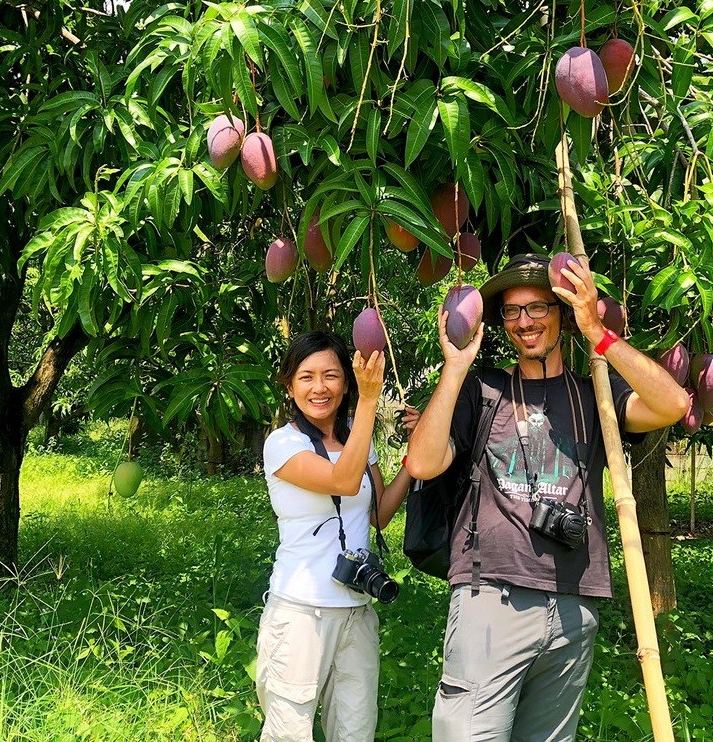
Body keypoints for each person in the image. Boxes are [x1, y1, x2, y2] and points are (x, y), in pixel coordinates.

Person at [405, 253, 690, 742]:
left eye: (538, 308)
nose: (524, 321)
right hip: (491, 595)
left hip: (575, 606)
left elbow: (673, 404)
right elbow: (423, 463)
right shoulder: (484, 388)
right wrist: (455, 369)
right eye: (513, 312)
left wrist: (598, 330)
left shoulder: (594, 393)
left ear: (560, 313)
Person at [257, 330, 417, 742]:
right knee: (288, 732)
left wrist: (413, 460)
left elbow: (379, 514)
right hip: (300, 613)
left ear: (345, 381)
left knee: (355, 730)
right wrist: (369, 400)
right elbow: (343, 481)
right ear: (290, 386)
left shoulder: (356, 438)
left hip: (357, 610)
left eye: (330, 375)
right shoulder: (283, 443)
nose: (319, 387)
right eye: (306, 376)